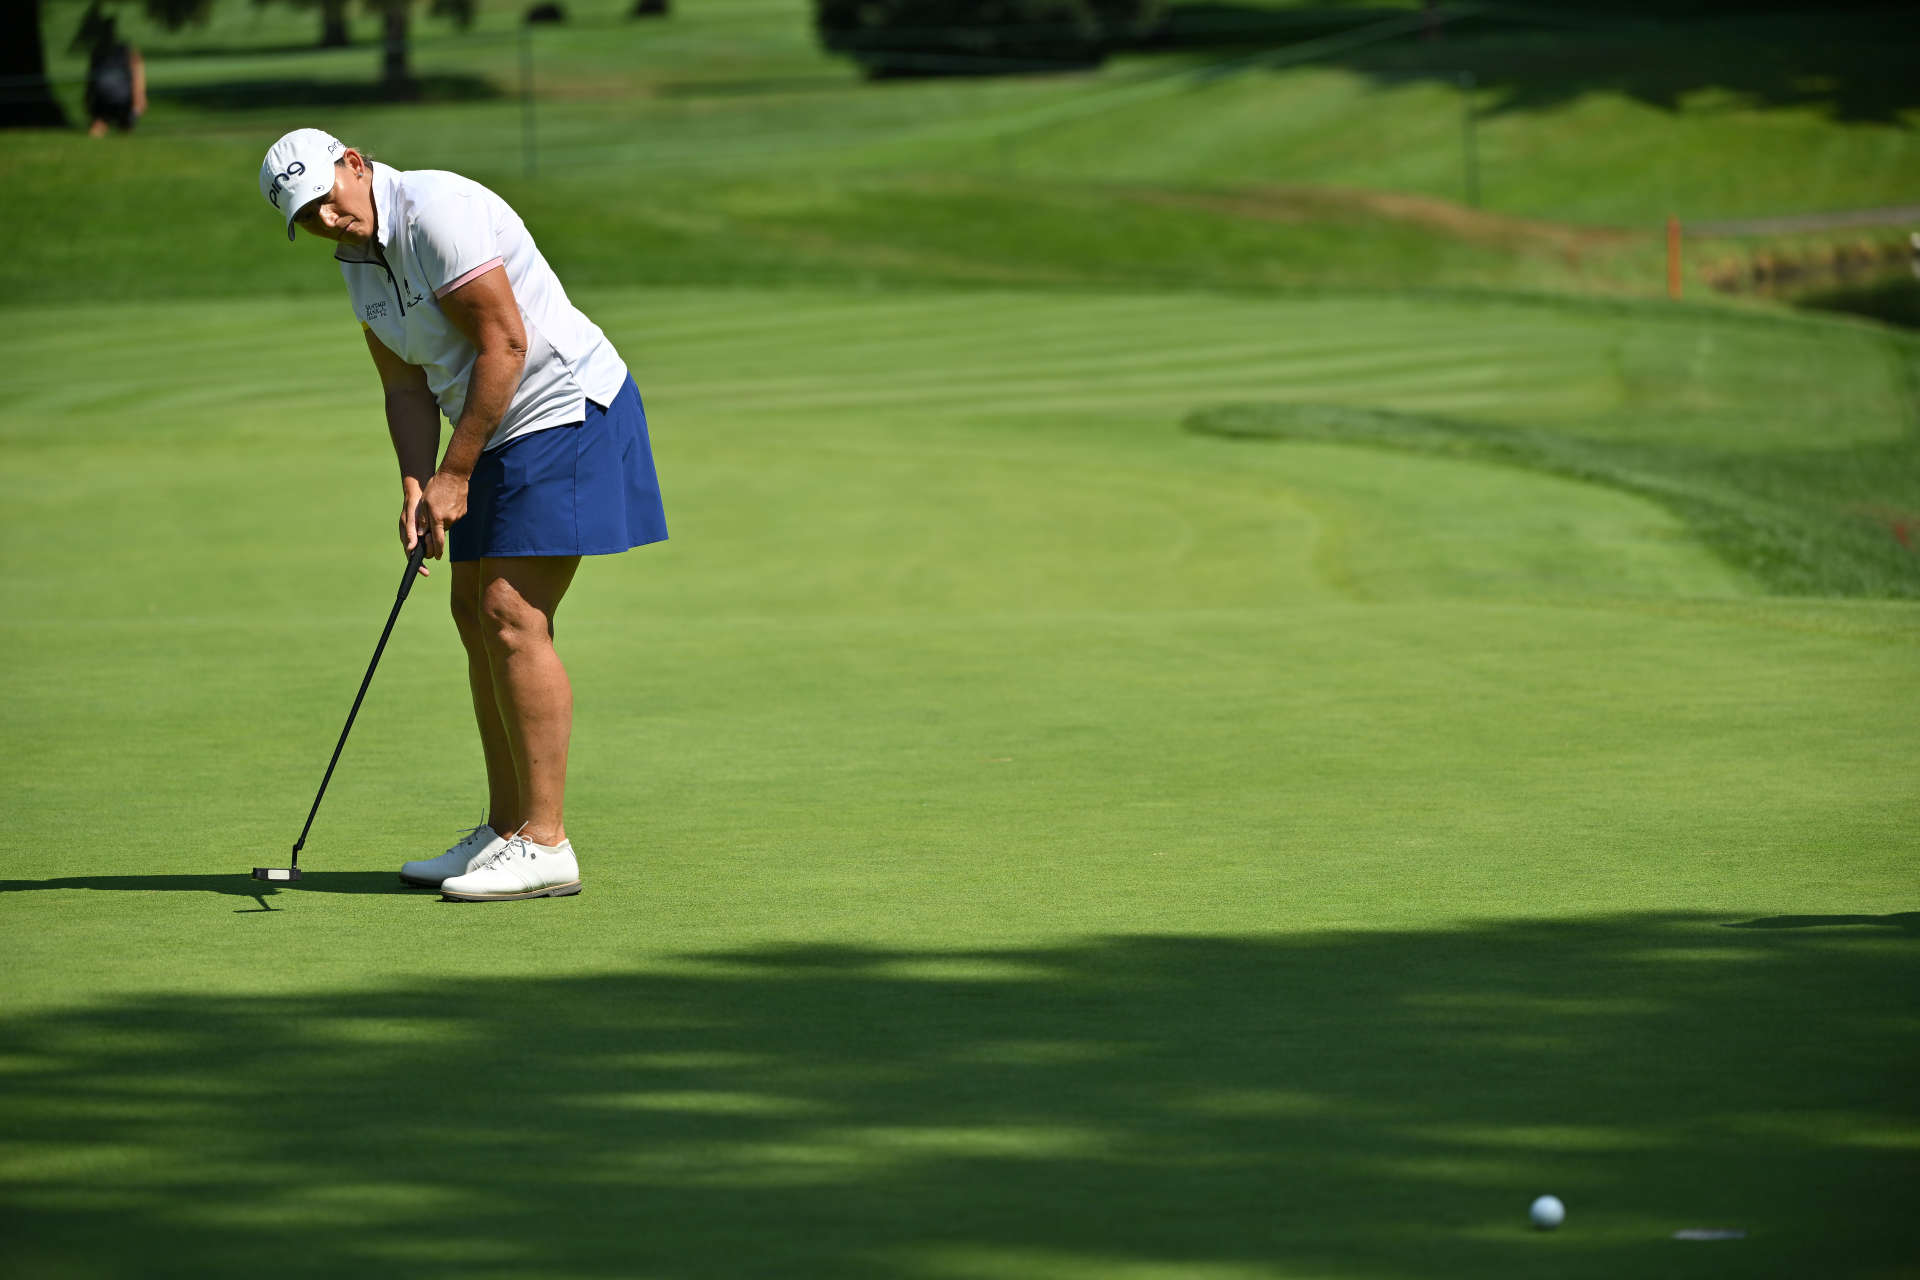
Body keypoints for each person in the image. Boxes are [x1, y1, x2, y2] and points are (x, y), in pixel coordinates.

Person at [257, 128, 667, 902]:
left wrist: (455, 472)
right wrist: (416, 483)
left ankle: (547, 844)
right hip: (498, 424)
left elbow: (506, 343)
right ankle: (507, 829)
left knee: (510, 610)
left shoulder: (434, 209)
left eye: (326, 200)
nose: (325, 221)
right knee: (470, 610)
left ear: (354, 164)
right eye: (305, 218)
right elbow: (405, 386)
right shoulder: (357, 265)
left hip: (563, 406)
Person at [83, 13, 145, 137]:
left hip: (112, 96)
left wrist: (88, 96)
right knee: (121, 127)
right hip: (119, 97)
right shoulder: (122, 50)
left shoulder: (103, 51)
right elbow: (138, 71)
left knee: (104, 126)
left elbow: (92, 77)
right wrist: (139, 96)